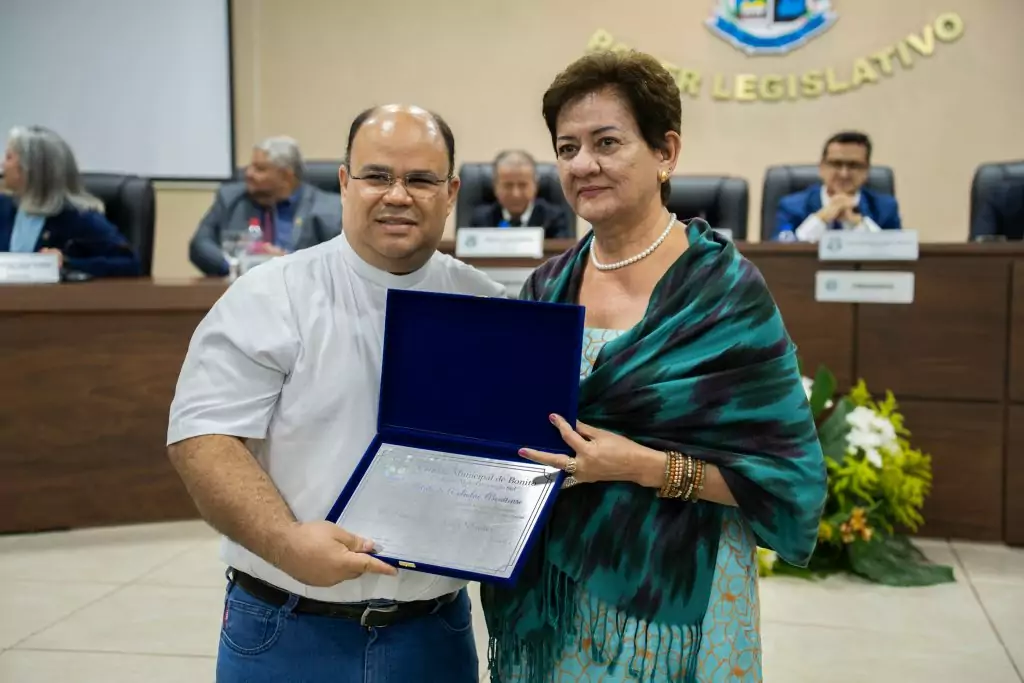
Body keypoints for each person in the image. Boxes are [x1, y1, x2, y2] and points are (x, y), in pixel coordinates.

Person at [480, 51, 827, 683]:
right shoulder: (546, 287)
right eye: (567, 147)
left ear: (665, 152)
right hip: (553, 593)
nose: (583, 164)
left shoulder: (723, 291)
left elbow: (786, 478)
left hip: (673, 597)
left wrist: (644, 467)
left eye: (607, 142)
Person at [166, 104, 504, 683]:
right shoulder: (271, 295)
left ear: (451, 193)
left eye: (421, 180)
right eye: (377, 176)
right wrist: (285, 540)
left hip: (433, 633)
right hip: (286, 626)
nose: (398, 195)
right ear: (345, 183)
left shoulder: (491, 309)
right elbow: (203, 439)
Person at [189, 136, 343, 276]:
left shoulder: (329, 209)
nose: (248, 174)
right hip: (243, 294)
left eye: (259, 169)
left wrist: (289, 261)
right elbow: (200, 244)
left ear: (286, 176)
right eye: (250, 167)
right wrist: (237, 267)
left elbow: (341, 261)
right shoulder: (230, 199)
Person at [0, 126, 140, 277]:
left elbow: (129, 263)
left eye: (9, 157)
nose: (2, 165)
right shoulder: (4, 207)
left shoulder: (79, 218)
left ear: (32, 168)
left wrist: (68, 263)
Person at [773, 131, 902, 242]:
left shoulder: (885, 208)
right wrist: (821, 218)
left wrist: (858, 224)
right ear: (821, 167)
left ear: (866, 170)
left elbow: (898, 254)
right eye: (836, 164)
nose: (844, 174)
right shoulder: (791, 206)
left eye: (854, 165)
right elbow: (778, 253)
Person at [468, 150, 574, 238]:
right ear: (495, 187)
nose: (516, 194)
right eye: (508, 185)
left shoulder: (553, 219)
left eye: (523, 185)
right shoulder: (481, 220)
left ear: (535, 185)